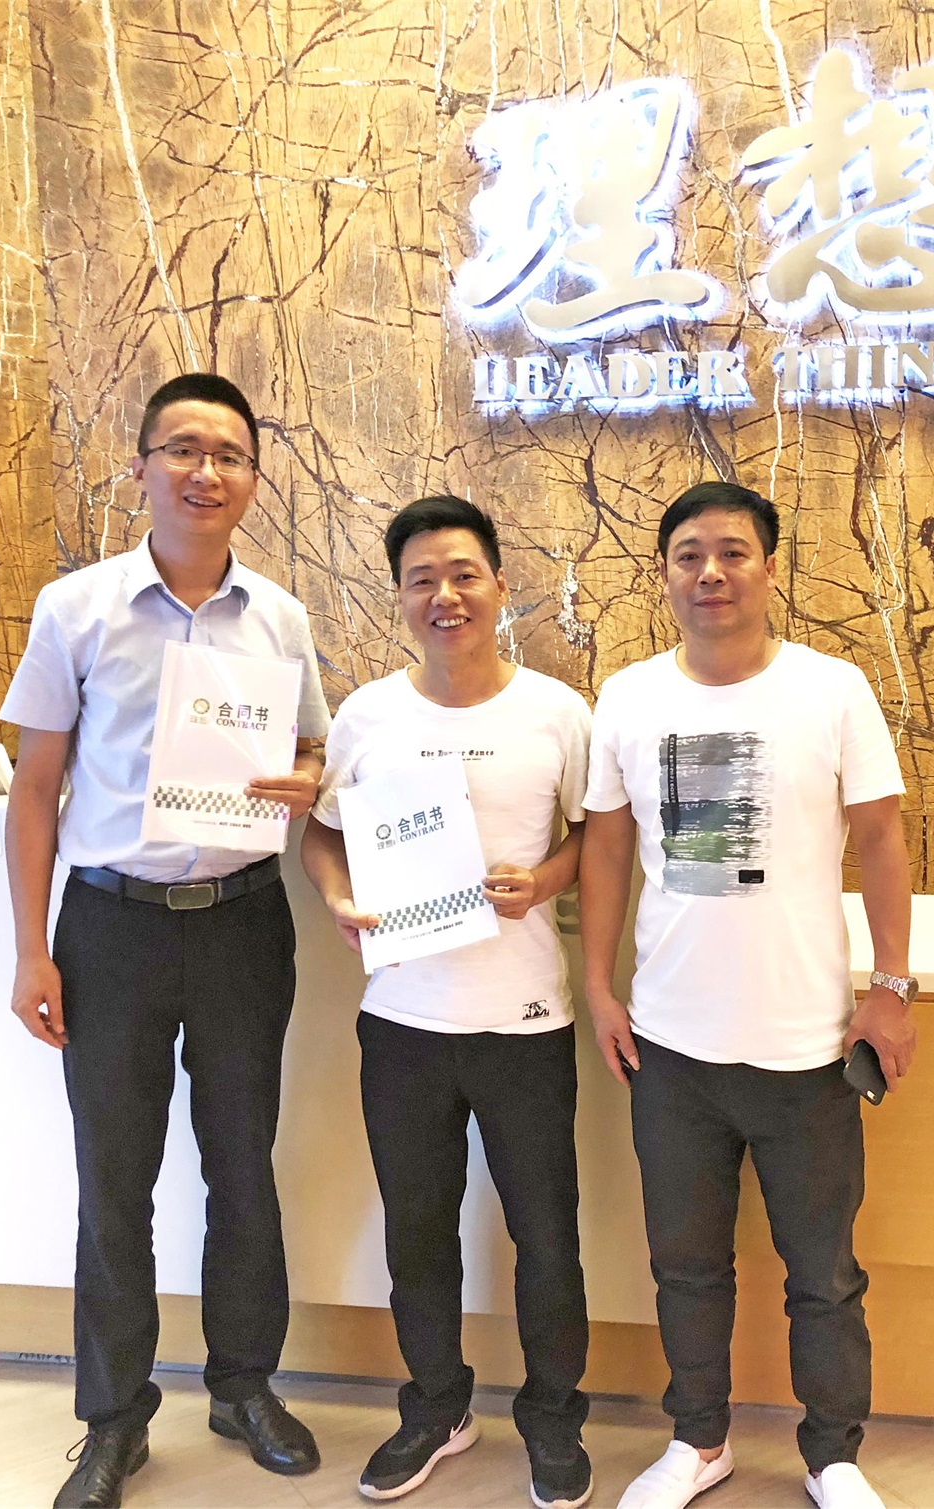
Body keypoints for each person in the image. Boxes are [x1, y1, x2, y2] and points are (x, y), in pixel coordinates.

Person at [2, 373, 331, 1509]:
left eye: (229, 454)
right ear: (140, 465)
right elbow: (34, 788)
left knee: (243, 1167)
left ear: (253, 479)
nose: (205, 471)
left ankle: (244, 1387)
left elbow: (312, 756)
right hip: (111, 927)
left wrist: (306, 781)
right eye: (183, 449)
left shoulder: (280, 618)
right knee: (114, 1180)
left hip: (244, 921)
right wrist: (31, 950)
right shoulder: (76, 608)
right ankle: (113, 1419)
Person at [579, 481, 917, 1509]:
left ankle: (833, 1455)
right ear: (664, 573)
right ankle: (698, 1441)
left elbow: (881, 837)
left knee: (823, 1275)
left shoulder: (831, 689)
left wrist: (890, 985)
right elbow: (606, 849)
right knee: (685, 1267)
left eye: (732, 552)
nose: (710, 572)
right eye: (689, 554)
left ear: (769, 567)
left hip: (805, 1049)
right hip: (670, 1049)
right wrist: (597, 986)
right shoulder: (628, 696)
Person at [300, 495, 595, 1509]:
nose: (445, 594)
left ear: (499, 586)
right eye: (422, 578)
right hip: (404, 1023)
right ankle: (435, 1407)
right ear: (399, 596)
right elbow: (323, 830)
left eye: (464, 573)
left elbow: (595, 837)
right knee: (416, 1231)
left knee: (546, 1235)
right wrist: (338, 898)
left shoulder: (557, 713)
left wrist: (543, 882)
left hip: (526, 1023)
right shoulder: (367, 715)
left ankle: (553, 1419)